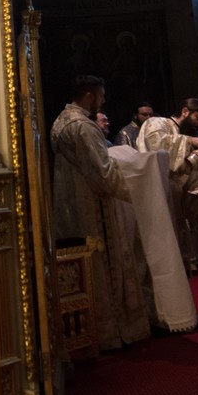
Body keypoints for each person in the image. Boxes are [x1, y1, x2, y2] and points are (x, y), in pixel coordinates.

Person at [51, 75, 150, 350]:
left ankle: (86, 333)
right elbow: (103, 175)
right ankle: (109, 333)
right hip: (93, 210)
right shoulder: (83, 127)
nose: (103, 101)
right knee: (103, 268)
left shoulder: (60, 121)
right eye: (101, 95)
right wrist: (138, 180)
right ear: (89, 95)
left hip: (70, 207)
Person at [135, 98, 198, 265]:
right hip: (156, 192)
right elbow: (157, 145)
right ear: (185, 111)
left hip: (176, 199)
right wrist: (190, 141)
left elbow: (189, 177)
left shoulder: (184, 138)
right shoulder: (157, 122)